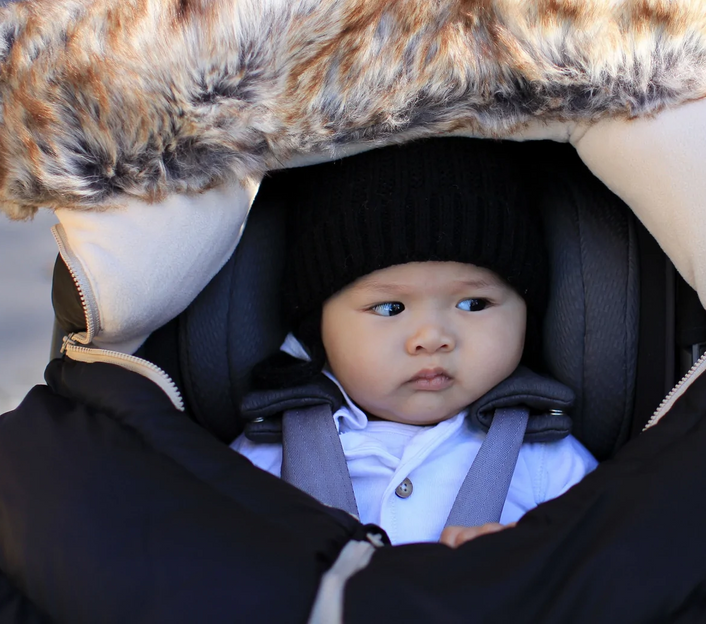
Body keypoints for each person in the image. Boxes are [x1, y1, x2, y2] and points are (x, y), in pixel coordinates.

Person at [231, 140, 597, 547]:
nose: (432, 338)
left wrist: (528, 564)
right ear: (317, 327)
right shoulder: (268, 457)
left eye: (474, 303)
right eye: (389, 308)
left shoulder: (547, 460)